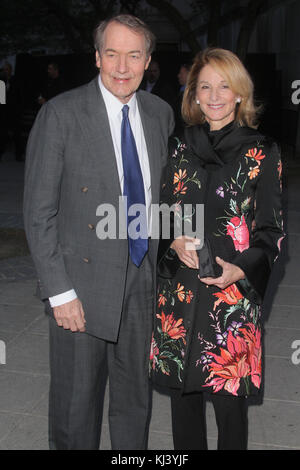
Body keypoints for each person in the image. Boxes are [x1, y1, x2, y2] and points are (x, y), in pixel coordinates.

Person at [24, 14, 174, 450]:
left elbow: (160, 195)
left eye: (133, 55)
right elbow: (38, 212)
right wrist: (59, 293)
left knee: (134, 401)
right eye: (112, 54)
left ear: (148, 61)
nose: (122, 67)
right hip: (81, 288)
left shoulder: (160, 114)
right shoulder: (61, 114)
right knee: (75, 407)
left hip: (142, 278)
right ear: (96, 58)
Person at [150, 47, 284, 450]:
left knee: (229, 407)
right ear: (192, 94)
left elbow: (271, 231)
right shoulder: (179, 146)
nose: (213, 95)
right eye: (204, 86)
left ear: (240, 93)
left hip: (231, 294)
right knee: (183, 400)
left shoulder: (261, 150)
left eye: (224, 86)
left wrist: (240, 271)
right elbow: (161, 210)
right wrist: (172, 236)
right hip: (180, 290)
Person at [174, 63, 191, 135]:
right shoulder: (181, 91)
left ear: (189, 74)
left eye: (181, 73)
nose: (178, 76)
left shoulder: (192, 95)